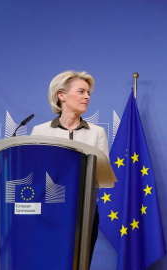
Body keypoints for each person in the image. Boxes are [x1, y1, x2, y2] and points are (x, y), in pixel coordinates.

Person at [31, 70, 109, 264]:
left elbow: (103, 176)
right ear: (61, 95)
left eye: (89, 93)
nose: (87, 97)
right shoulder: (40, 131)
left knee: (79, 263)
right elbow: (34, 173)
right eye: (81, 91)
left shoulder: (97, 132)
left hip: (85, 211)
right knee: (49, 262)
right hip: (48, 211)